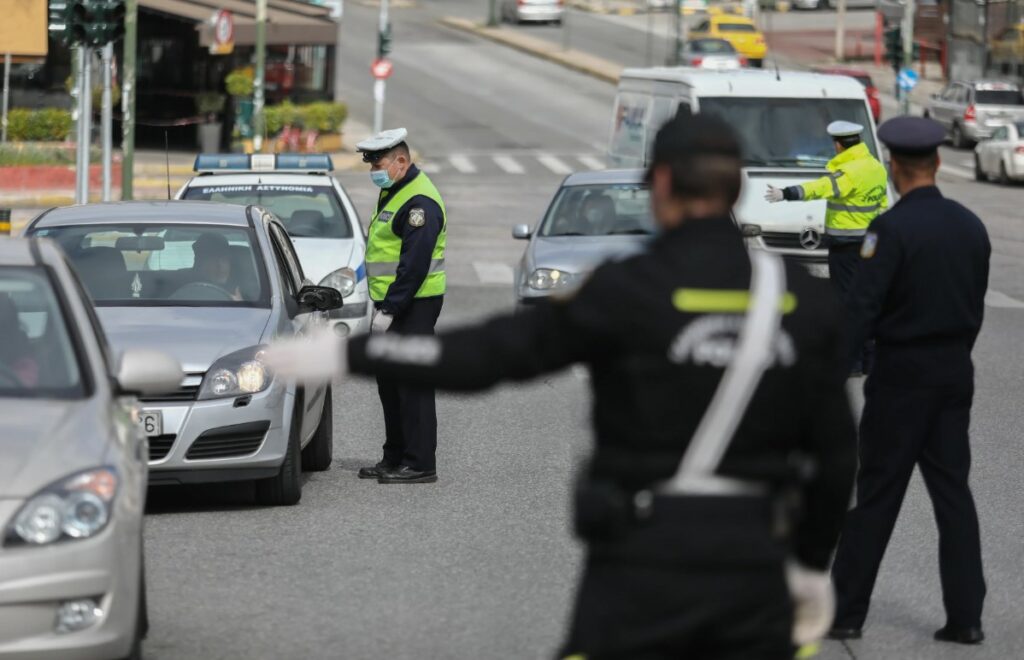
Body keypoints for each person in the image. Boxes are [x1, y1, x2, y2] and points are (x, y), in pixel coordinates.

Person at [266, 115, 858, 658]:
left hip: (639, 567)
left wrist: (351, 351)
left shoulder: (626, 290)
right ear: (737, 190)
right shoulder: (805, 301)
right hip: (756, 574)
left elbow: (488, 356)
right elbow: (836, 457)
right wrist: (809, 566)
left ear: (661, 184)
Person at [828, 117, 990, 645]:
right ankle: (966, 619)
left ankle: (846, 613)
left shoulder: (890, 231)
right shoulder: (971, 227)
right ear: (938, 164)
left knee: (876, 496)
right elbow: (975, 304)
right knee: (953, 497)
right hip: (952, 375)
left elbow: (860, 312)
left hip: (900, 379)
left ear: (894, 169)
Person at [356, 128, 448, 484]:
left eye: (378, 164)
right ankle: (394, 457)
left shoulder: (419, 203)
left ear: (401, 161)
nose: (373, 172)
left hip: (413, 306)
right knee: (390, 384)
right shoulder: (393, 189)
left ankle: (420, 463)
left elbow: (414, 265)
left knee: (412, 385)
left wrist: (391, 309)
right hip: (392, 304)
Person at [764, 121, 888, 296]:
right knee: (865, 284)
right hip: (870, 240)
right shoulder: (876, 167)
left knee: (844, 291)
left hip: (846, 245)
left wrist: (787, 193)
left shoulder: (850, 172)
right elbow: (882, 204)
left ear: (838, 145)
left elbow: (820, 187)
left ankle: (847, 321)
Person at [190, 233, 242, 300]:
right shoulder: (182, 289)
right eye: (213, 260)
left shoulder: (247, 293)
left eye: (224, 259)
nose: (221, 266)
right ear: (200, 263)